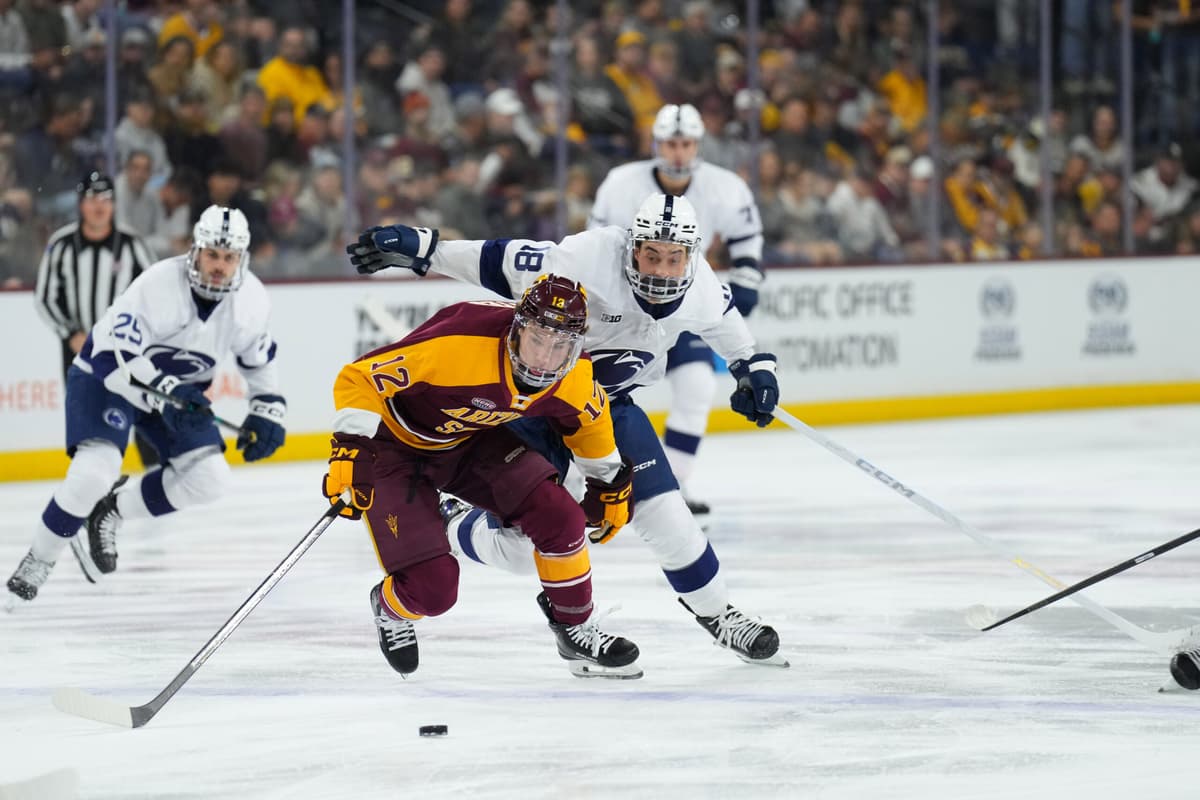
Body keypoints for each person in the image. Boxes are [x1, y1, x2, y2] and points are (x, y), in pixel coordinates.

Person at [347, 193, 787, 667]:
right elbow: (497, 261)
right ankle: (458, 524)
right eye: (650, 255)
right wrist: (426, 250)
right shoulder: (585, 258)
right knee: (523, 552)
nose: (661, 270)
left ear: (692, 256)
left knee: (665, 513)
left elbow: (732, 333)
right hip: (534, 408)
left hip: (607, 409)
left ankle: (719, 615)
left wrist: (755, 370)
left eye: (674, 258)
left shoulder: (699, 285)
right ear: (632, 248)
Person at [322, 274, 641, 679]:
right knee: (433, 591)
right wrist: (350, 449)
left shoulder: (574, 374)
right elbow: (359, 377)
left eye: (560, 345)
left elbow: (589, 426)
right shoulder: (459, 344)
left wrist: (608, 483)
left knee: (560, 515)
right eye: (538, 339)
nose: (546, 358)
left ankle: (575, 627)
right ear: (517, 328)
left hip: (466, 442)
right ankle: (387, 608)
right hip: (392, 449)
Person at [6, 206, 288, 606]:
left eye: (229, 258)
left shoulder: (252, 301)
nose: (219, 267)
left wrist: (267, 410)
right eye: (212, 255)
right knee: (93, 473)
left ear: (242, 259)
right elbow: (111, 358)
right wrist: (169, 390)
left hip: (177, 398)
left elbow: (259, 363)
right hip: (107, 381)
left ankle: (111, 511)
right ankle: (40, 558)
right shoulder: (158, 285)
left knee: (210, 479)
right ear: (196, 250)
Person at [588, 103, 764, 520]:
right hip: (623, 314)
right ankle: (581, 482)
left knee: (699, 386)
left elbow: (747, 241)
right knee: (591, 398)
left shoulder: (726, 187)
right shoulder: (619, 184)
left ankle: (676, 486)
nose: (679, 153)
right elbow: (596, 248)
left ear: (697, 144)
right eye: (671, 143)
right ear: (656, 144)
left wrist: (746, 281)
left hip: (681, 313)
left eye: (685, 143)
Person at [35, 171, 159, 466]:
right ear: (80, 204)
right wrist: (70, 333)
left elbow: (157, 292)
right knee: (88, 421)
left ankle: (156, 483)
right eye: (92, 198)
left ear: (114, 203)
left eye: (105, 198)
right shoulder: (62, 244)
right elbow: (45, 298)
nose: (99, 205)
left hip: (128, 349)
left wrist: (140, 335)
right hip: (80, 351)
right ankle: (91, 486)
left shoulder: (132, 243)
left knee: (143, 413)